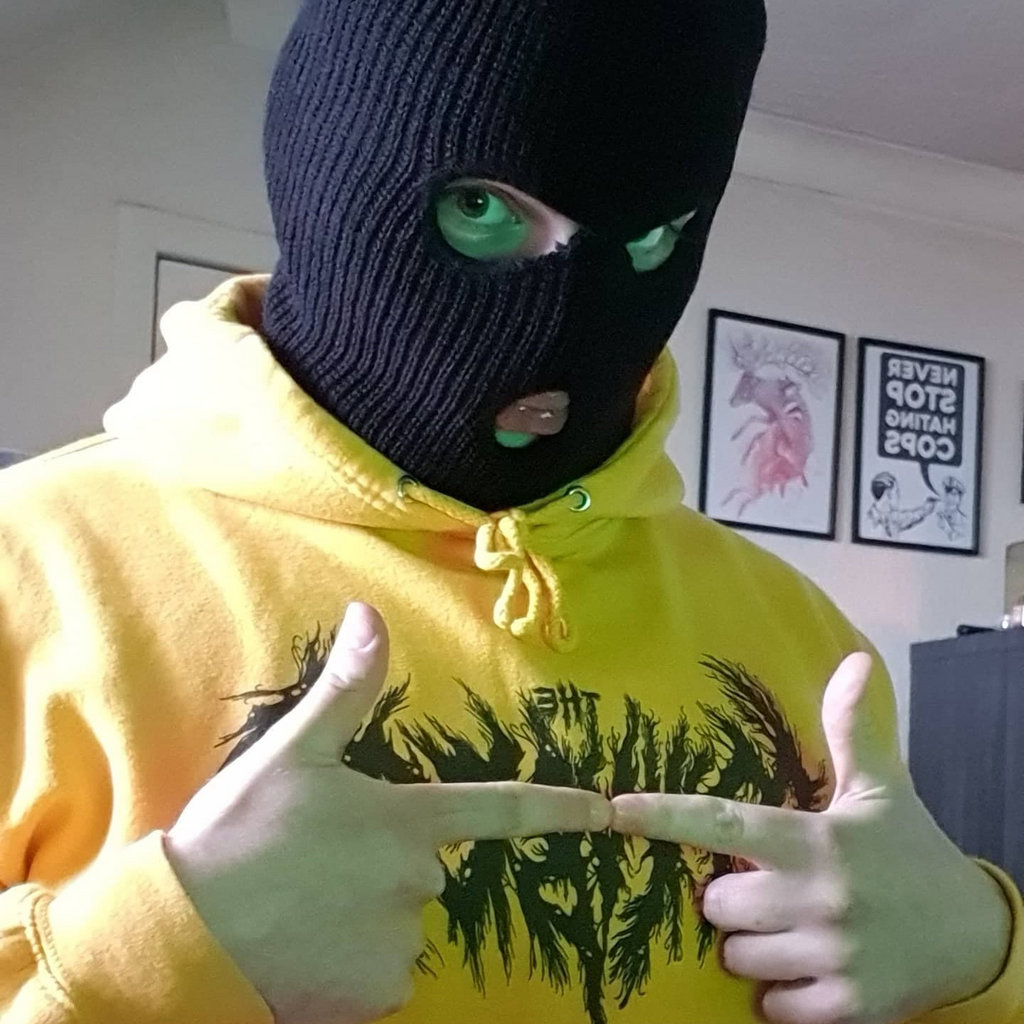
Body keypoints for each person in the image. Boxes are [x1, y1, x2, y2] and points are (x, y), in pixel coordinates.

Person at [0, 2, 1020, 1023]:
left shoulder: (809, 641)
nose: (566, 309)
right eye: (481, 210)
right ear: (325, 170)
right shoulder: (28, 570)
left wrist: (982, 959)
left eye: (649, 239)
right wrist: (158, 959)